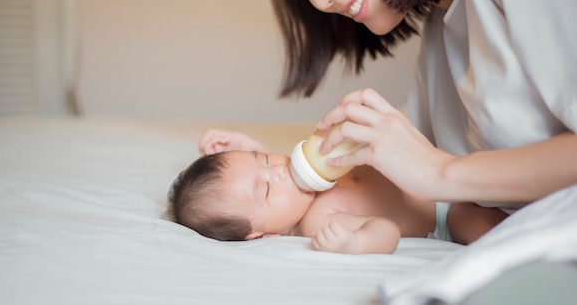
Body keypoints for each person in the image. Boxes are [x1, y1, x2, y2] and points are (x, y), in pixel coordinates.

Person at [243, 0, 577, 209]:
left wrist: (441, 173)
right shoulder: (441, 39)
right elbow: (410, 178)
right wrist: (276, 172)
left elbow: (431, 173)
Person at [167, 130, 507, 254]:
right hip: (442, 212)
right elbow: (385, 231)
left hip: (439, 164)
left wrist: (246, 147)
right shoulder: (316, 222)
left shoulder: (300, 180)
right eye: (267, 188)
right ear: (260, 235)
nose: (279, 169)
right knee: (494, 230)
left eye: (265, 158)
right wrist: (356, 244)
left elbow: (274, 171)